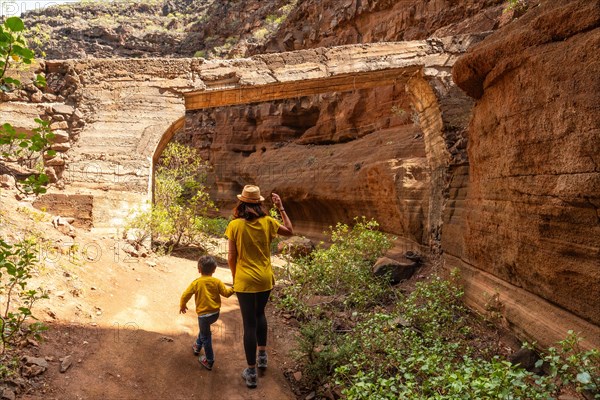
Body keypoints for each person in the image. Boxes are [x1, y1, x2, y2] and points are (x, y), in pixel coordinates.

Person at [225, 185, 293, 388]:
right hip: (264, 279)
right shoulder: (268, 222)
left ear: (242, 203)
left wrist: (236, 277)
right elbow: (290, 231)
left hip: (245, 280)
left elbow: (231, 256)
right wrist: (280, 207)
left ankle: (251, 372)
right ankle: (262, 356)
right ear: (259, 203)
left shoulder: (235, 225)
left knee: (249, 324)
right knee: (260, 314)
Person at [179, 255, 235, 370]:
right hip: (215, 314)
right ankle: (197, 346)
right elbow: (226, 293)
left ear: (199, 269)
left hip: (203, 316)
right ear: (214, 270)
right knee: (204, 331)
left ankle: (209, 360)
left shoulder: (197, 282)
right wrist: (234, 288)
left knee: (206, 336)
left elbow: (185, 295)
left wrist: (183, 305)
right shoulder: (217, 282)